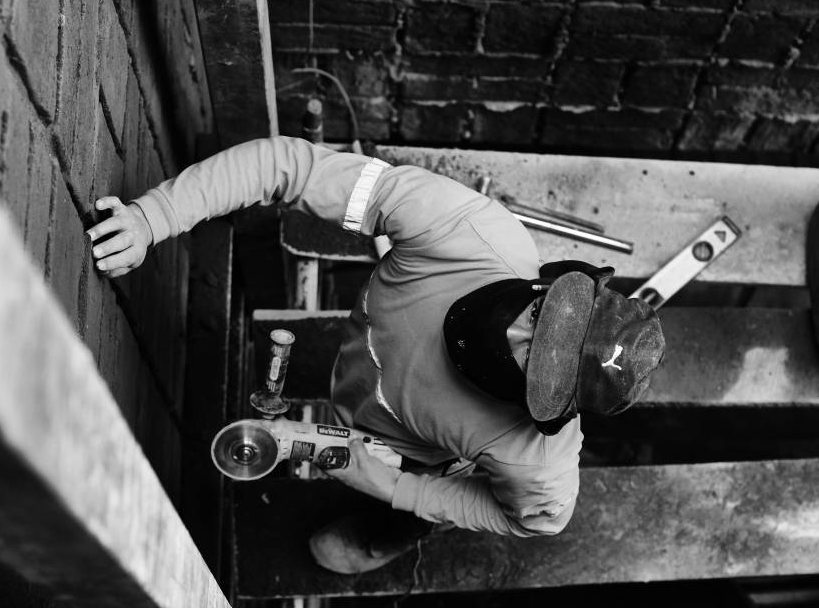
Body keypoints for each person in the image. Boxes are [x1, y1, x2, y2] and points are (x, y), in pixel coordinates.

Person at [86, 136, 665, 574]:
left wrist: (401, 493)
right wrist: (152, 217)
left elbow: (538, 521)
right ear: (554, 285)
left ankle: (388, 532)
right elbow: (291, 167)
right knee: (348, 364)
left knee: (352, 536)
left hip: (409, 458)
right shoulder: (464, 228)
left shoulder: (532, 458)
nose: (514, 336)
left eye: (537, 368)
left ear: (551, 405)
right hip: (363, 358)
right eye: (541, 319)